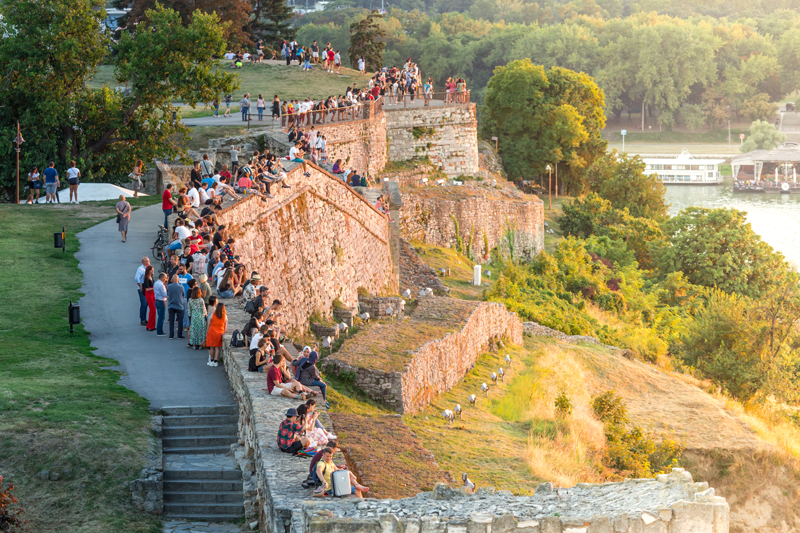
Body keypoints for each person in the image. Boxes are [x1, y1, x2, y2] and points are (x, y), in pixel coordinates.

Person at [205, 302, 227, 366]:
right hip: (219, 332)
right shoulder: (224, 316)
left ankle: (211, 360)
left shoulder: (213, 314)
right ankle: (216, 361)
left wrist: (207, 331)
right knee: (217, 348)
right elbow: (225, 326)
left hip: (212, 332)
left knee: (212, 347)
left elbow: (209, 323)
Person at [167, 274, 186, 340]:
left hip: (171, 305)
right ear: (178, 280)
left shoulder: (169, 286)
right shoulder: (181, 287)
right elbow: (183, 296)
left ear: (172, 280)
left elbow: (167, 294)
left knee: (171, 321)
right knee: (180, 321)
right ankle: (179, 335)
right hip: (179, 306)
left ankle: (171, 335)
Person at [135, 257, 151, 326]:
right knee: (144, 303)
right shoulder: (140, 269)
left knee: (146, 303)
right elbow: (136, 278)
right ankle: (142, 319)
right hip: (142, 289)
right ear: (143, 262)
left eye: (148, 261)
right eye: (146, 261)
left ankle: (144, 318)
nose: (147, 262)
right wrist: (140, 286)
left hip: (147, 289)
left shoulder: (148, 269)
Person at [143, 266, 156, 331]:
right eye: (152, 270)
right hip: (149, 294)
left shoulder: (151, 277)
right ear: (149, 270)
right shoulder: (146, 278)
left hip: (152, 294)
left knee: (153, 310)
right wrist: (155, 288)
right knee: (153, 310)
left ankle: (150, 325)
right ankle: (150, 326)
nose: (153, 271)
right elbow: (147, 289)